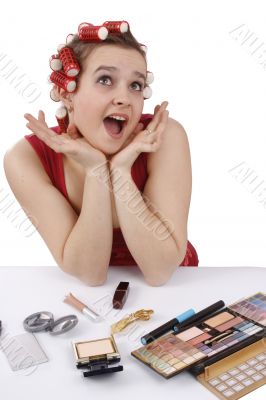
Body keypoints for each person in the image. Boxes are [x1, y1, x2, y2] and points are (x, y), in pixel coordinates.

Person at [3, 21, 199, 286]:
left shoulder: (163, 137)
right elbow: (90, 274)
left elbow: (160, 271)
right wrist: (96, 169)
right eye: (105, 80)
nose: (125, 98)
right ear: (66, 93)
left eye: (136, 85)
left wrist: (120, 171)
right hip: (91, 298)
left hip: (182, 288)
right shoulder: (26, 158)